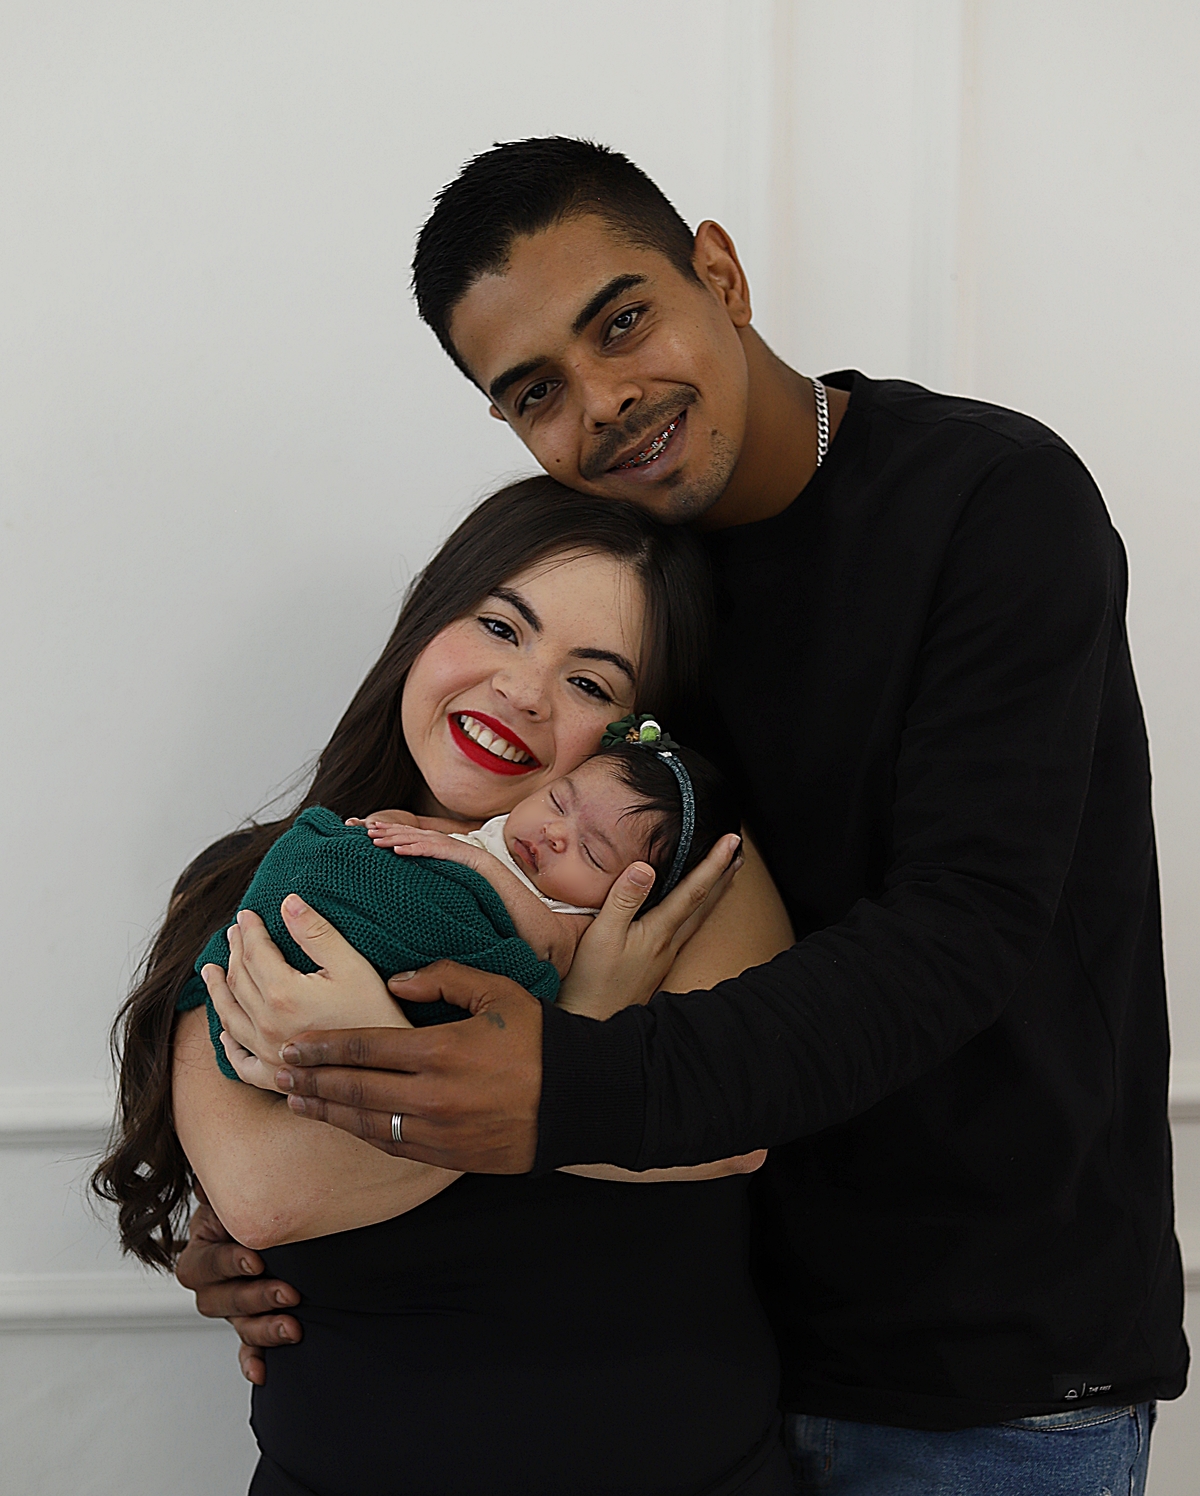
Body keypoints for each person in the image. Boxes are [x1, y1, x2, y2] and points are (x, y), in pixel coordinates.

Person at [184, 138, 1184, 1494]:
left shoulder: (991, 503)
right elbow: (520, 918)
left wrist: (564, 1082)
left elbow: (962, 931)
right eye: (537, 390)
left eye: (622, 321)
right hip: (719, 1340)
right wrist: (283, 1225)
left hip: (981, 1370)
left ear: (720, 272)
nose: (603, 401)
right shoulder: (619, 590)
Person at [94, 477, 796, 1495]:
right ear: (428, 622)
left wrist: (383, 1074)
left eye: (592, 683)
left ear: (638, 739)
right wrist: (588, 1031)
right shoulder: (274, 875)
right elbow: (269, 1191)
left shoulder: (674, 880)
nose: (525, 692)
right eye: (501, 626)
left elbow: (728, 1131)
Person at [210, 721, 738, 1093]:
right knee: (321, 853)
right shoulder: (496, 831)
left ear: (627, 892)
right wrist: (383, 827)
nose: (554, 833)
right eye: (559, 801)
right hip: (371, 901)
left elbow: (546, 953)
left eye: (592, 851)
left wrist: (477, 863)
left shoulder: (577, 919)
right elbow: (425, 830)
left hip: (436, 946)